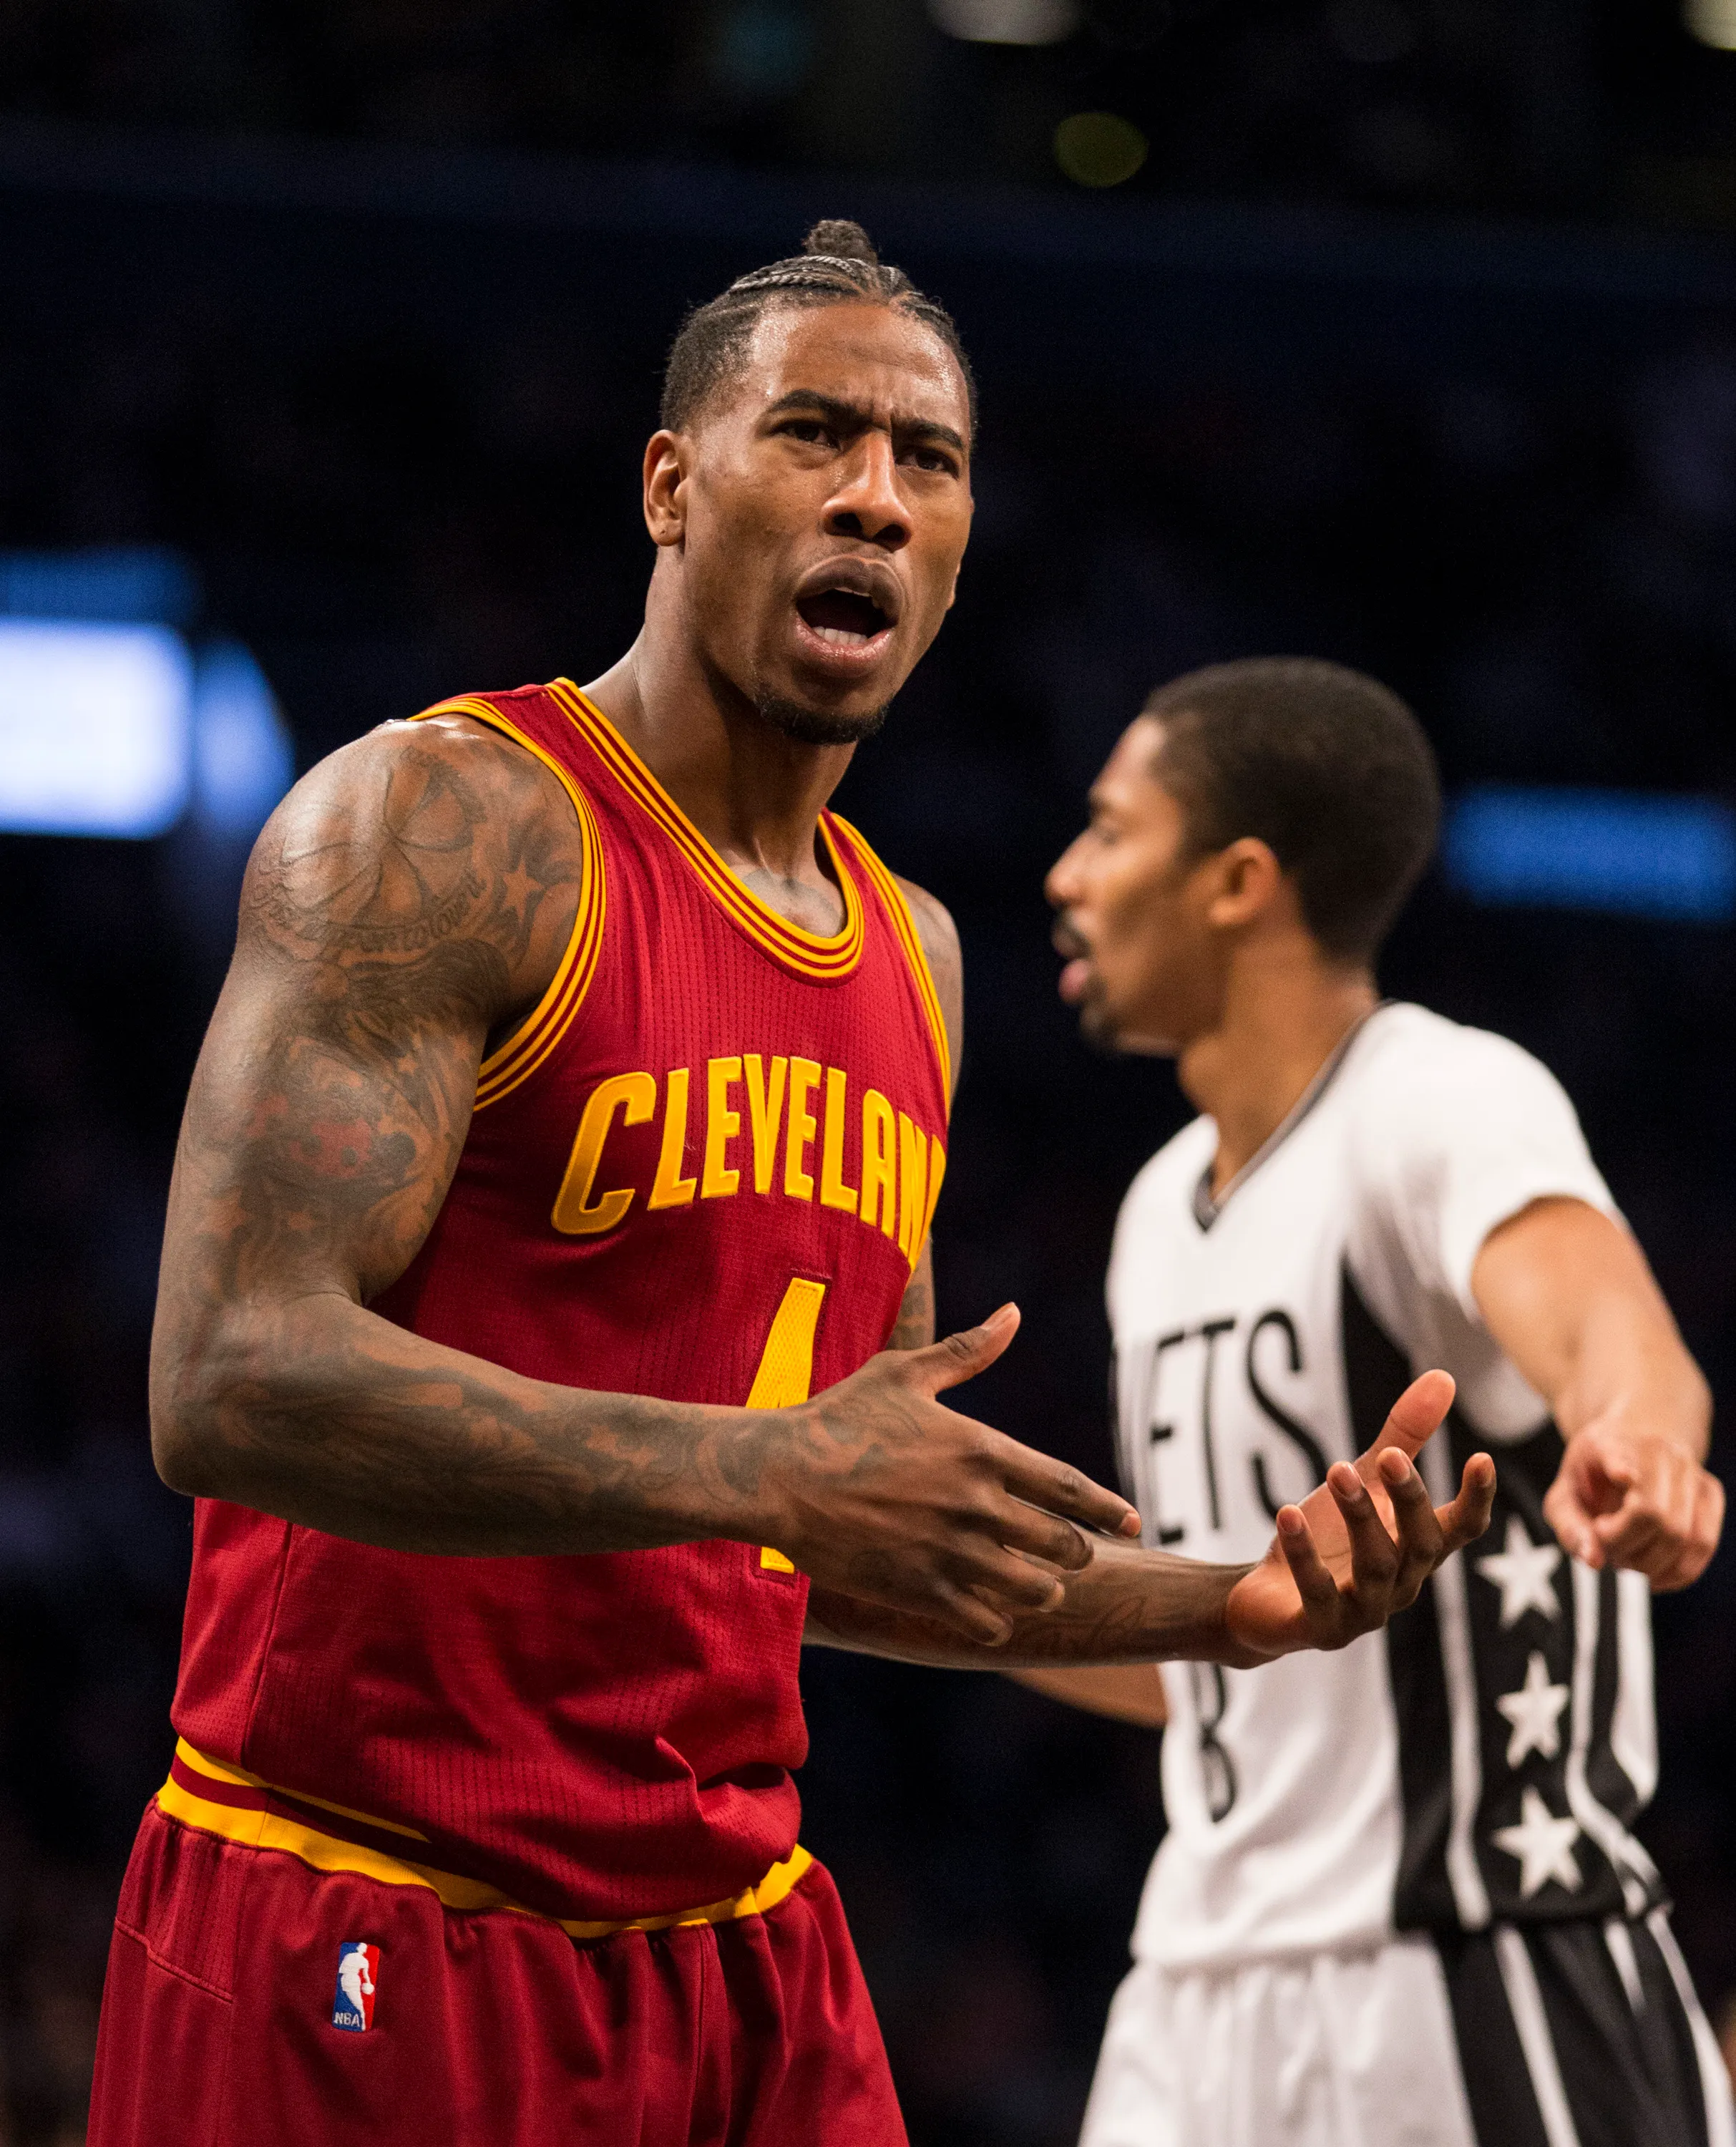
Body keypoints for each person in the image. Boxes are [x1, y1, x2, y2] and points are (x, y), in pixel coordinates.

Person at [89, 233, 1493, 2147]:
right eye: (814, 433)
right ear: (671, 486)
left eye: (930, 459)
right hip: (369, 1909)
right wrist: (761, 1470)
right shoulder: (447, 825)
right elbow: (227, 1382)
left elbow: (844, 1531)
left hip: (739, 1944)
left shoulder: (913, 956)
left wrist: (1226, 1604)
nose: (875, 496)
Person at [1034, 656, 1730, 2147]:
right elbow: (1213, 1656)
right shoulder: (1159, 1206)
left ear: (1237, 883)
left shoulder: (1436, 1097)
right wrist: (927, 1591)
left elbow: (1608, 1322)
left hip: (1471, 1956)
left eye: (1109, 830)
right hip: (1195, 1986)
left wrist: (1637, 1439)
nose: (1066, 875)